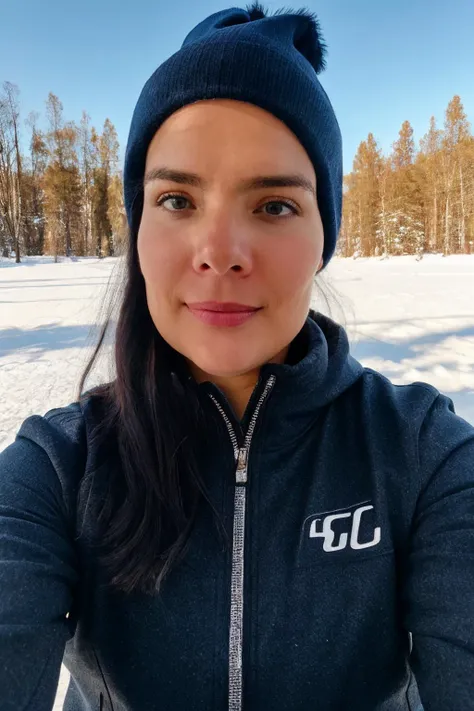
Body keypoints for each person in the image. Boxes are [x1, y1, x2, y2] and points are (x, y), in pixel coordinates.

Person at [1, 4, 473, 711]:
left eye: (275, 204)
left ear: (324, 235)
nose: (220, 250)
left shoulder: (421, 455)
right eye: (176, 198)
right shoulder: (60, 466)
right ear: (138, 228)